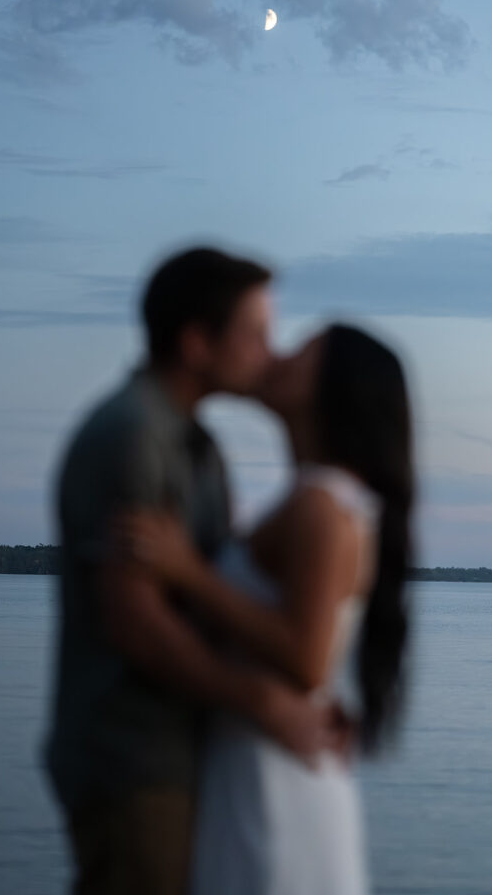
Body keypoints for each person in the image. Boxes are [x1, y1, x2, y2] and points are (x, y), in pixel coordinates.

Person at [44, 248, 334, 895]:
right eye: (255, 334)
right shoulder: (132, 436)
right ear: (197, 343)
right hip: (130, 757)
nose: (269, 353)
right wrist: (263, 702)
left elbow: (207, 600)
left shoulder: (196, 448)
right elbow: (134, 621)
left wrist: (300, 697)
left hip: (179, 753)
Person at [123, 323, 415, 895]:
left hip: (276, 779)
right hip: (258, 762)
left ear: (334, 391)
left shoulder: (320, 504)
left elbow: (306, 661)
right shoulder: (318, 498)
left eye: (302, 353)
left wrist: (191, 574)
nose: (278, 355)